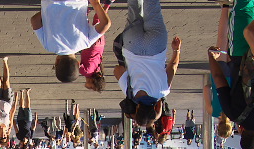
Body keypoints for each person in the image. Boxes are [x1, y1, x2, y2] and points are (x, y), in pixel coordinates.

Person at [114, 0, 181, 128]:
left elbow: (172, 67)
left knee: (153, 7)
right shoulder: (130, 92)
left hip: (156, 46)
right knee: (134, 9)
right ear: (137, 109)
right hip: (133, 45)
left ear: (156, 109)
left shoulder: (163, 91)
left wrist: (176, 50)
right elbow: (118, 69)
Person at [31, 0, 111, 83]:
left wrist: (96, 4)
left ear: (78, 63)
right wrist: (46, 12)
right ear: (56, 62)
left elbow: (105, 24)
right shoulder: (48, 45)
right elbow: (34, 20)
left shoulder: (85, 43)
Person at [0, 57, 16, 146]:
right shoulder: (9, 126)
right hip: (8, 102)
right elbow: (12, 113)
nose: (3, 135)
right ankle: (5, 62)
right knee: (6, 82)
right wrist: (16, 101)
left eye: (1, 137)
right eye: (5, 137)